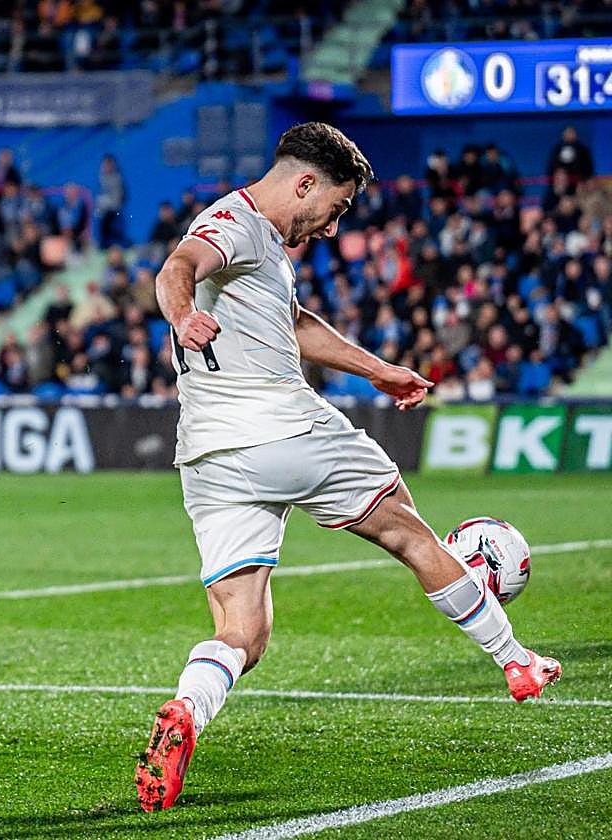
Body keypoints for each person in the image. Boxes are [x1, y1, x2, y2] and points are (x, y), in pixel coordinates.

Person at [135, 122, 560, 812]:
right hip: (281, 428)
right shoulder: (235, 224)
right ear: (304, 182)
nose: (332, 227)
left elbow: (296, 323)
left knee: (244, 632)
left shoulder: (265, 245)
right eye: (333, 208)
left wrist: (379, 371)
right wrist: (182, 315)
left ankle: (185, 712)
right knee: (409, 532)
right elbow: (176, 269)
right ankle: (516, 660)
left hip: (210, 456)